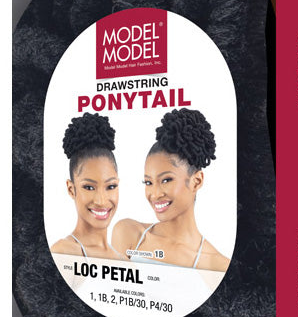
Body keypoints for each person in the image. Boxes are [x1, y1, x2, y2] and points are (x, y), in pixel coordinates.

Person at [113, 108, 229, 272]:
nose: (155, 194)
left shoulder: (217, 265)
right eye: (148, 182)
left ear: (196, 182)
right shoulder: (128, 233)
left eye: (166, 180)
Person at [50, 113, 126, 261]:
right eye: (89, 187)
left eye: (111, 186)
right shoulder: (64, 253)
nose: (101, 201)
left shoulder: (124, 261)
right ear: (71, 189)